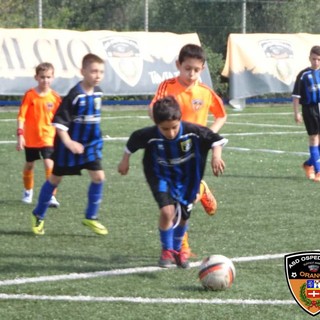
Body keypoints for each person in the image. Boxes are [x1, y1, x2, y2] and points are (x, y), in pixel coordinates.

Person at [118, 96, 227, 268]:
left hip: (188, 178)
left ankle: (178, 250)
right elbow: (132, 142)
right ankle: (167, 249)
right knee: (167, 212)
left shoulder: (193, 131)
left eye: (174, 127)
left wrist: (216, 156)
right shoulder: (149, 135)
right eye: (165, 129)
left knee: (183, 216)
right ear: (156, 123)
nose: (170, 133)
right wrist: (125, 161)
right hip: (159, 175)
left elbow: (216, 140)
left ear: (180, 119)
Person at [149, 43, 227, 257]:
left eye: (196, 70)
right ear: (178, 65)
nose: (191, 74)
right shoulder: (167, 87)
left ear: (202, 69)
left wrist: (207, 134)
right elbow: (153, 108)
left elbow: (221, 115)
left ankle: (181, 246)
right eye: (187, 68)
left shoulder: (205, 92)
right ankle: (201, 192)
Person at [31, 53, 108, 236]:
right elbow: (59, 123)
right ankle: (38, 214)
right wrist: (69, 143)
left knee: (99, 177)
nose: (97, 75)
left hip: (90, 146)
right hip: (68, 147)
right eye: (94, 71)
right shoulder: (75, 94)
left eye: (101, 72)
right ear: (83, 71)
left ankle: (91, 217)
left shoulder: (98, 92)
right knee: (55, 179)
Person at [16, 62, 61, 207]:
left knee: (49, 163)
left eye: (48, 77)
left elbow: (60, 119)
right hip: (31, 138)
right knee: (29, 165)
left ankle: (51, 196)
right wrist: (20, 135)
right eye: (42, 77)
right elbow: (21, 116)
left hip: (48, 137)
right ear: (36, 77)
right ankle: (28, 191)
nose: (45, 80)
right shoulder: (30, 95)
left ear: (53, 78)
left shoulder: (55, 97)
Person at [292, 45, 320, 182]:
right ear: (309, 58)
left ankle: (309, 164)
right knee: (314, 139)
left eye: (319, 59)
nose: (316, 62)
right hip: (310, 109)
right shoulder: (303, 75)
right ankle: (318, 172)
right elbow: (296, 96)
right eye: (314, 59)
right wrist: (297, 113)